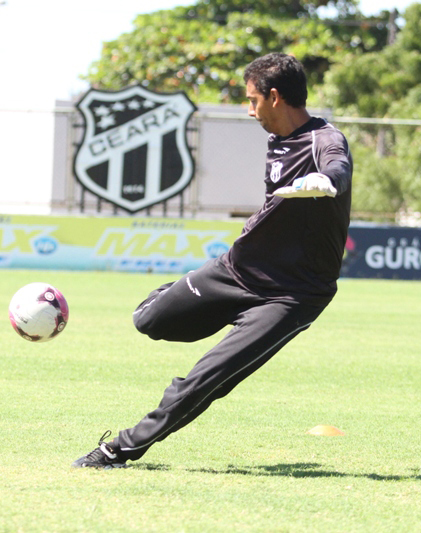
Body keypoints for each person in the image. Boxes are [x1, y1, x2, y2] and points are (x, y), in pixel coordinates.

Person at [72, 52, 353, 469]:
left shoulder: (324, 140)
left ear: (274, 97)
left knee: (207, 379)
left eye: (252, 99)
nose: (249, 108)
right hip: (236, 270)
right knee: (148, 320)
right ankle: (186, 292)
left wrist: (325, 181)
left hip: (292, 296)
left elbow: (338, 164)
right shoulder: (276, 137)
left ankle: (119, 449)